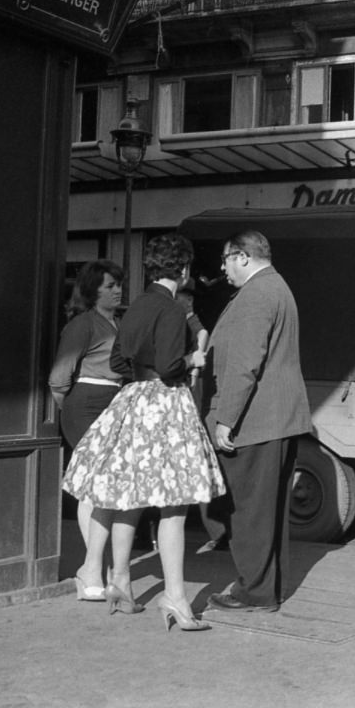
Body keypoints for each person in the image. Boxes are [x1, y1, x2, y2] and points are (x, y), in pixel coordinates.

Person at [63, 234, 225, 631]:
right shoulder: (170, 308)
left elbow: (119, 361)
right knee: (173, 506)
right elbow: (172, 366)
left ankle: (120, 580)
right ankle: (175, 598)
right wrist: (194, 357)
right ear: (184, 270)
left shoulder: (134, 307)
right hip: (166, 403)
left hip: (132, 399)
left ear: (150, 268)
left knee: (125, 496)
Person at [205, 230, 311, 613]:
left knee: (248, 512)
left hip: (256, 421)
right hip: (278, 419)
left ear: (243, 256)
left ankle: (254, 591)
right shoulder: (277, 287)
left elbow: (244, 364)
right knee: (270, 512)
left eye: (226, 259)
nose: (223, 268)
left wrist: (225, 419)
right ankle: (268, 589)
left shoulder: (255, 295)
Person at [49, 259, 124, 600]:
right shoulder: (83, 324)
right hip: (86, 407)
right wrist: (71, 408)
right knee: (95, 488)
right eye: (109, 285)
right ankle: (92, 570)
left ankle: (94, 569)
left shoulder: (116, 323)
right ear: (94, 290)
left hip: (112, 406)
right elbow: (59, 377)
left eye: (118, 284)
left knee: (103, 488)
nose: (117, 289)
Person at [178, 282, 228, 555]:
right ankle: (218, 532)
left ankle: (218, 533)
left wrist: (193, 369)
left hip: (189, 400)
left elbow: (202, 335)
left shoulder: (190, 323)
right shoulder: (190, 322)